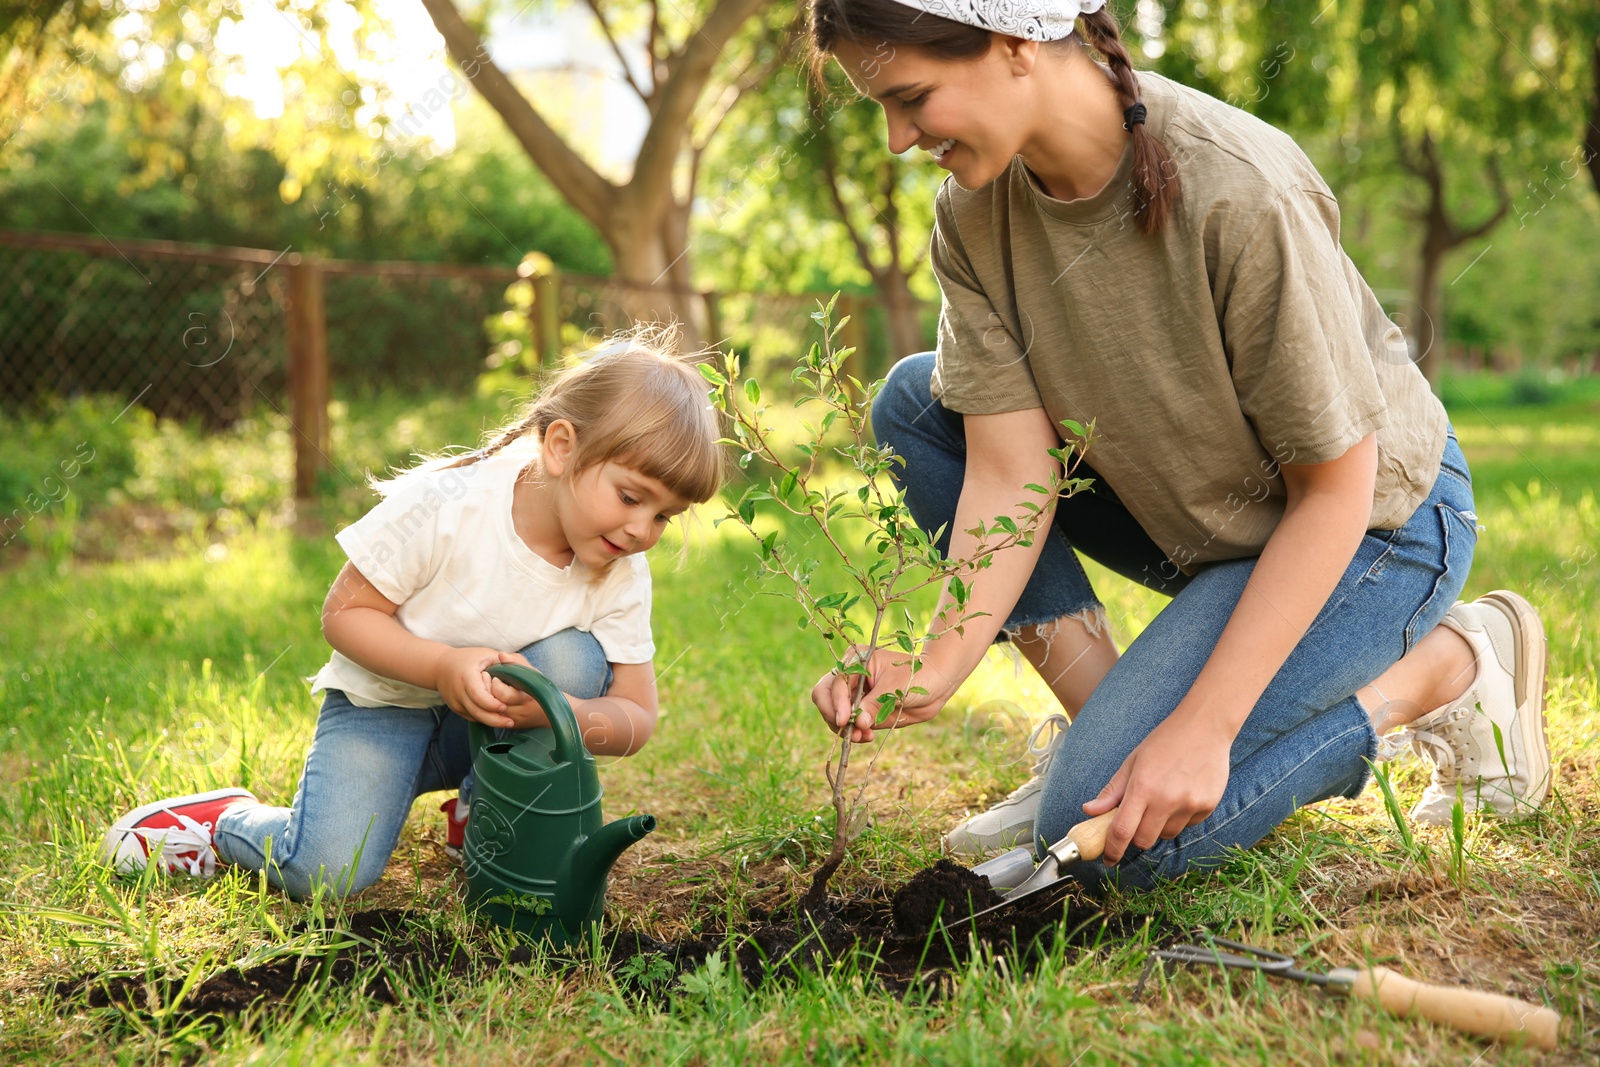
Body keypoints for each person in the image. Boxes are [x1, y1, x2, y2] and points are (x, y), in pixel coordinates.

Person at [807, 0, 1551, 887]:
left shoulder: (1237, 186)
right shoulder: (973, 216)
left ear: (1014, 45)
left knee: (1124, 858)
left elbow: (1337, 490)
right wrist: (934, 665)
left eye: (911, 97)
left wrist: (1205, 727)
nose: (896, 138)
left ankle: (1450, 667)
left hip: (1376, 529)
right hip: (1205, 523)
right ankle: (1107, 754)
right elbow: (1011, 472)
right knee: (915, 407)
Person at [102, 337, 724, 897]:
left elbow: (637, 715)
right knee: (328, 874)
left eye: (665, 515)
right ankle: (224, 823)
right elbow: (345, 615)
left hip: (491, 728)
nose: (643, 530)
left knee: (572, 660)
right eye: (630, 497)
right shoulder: (451, 505)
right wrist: (442, 664)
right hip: (384, 709)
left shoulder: (619, 569)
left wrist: (559, 713)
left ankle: (487, 816)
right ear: (562, 447)